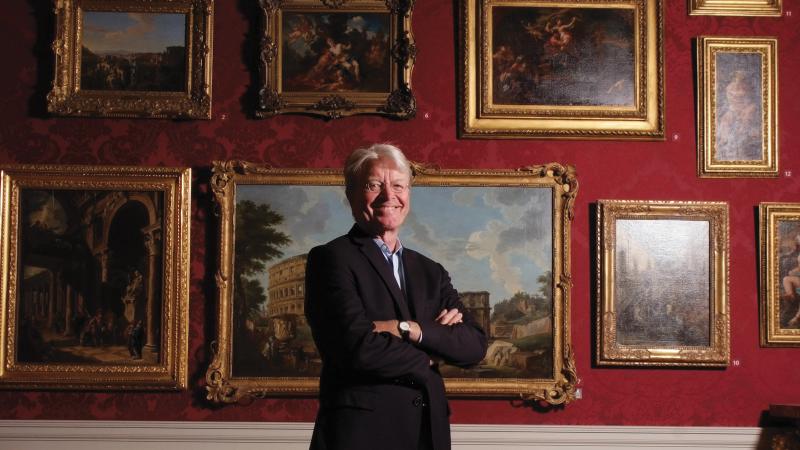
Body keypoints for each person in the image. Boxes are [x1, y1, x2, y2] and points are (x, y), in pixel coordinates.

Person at [305, 144, 488, 450]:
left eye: (398, 185)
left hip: (428, 433)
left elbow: (474, 346)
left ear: (409, 195)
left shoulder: (431, 271)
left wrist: (409, 329)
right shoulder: (331, 259)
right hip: (362, 436)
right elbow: (357, 349)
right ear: (350, 194)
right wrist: (433, 350)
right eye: (374, 185)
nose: (389, 196)